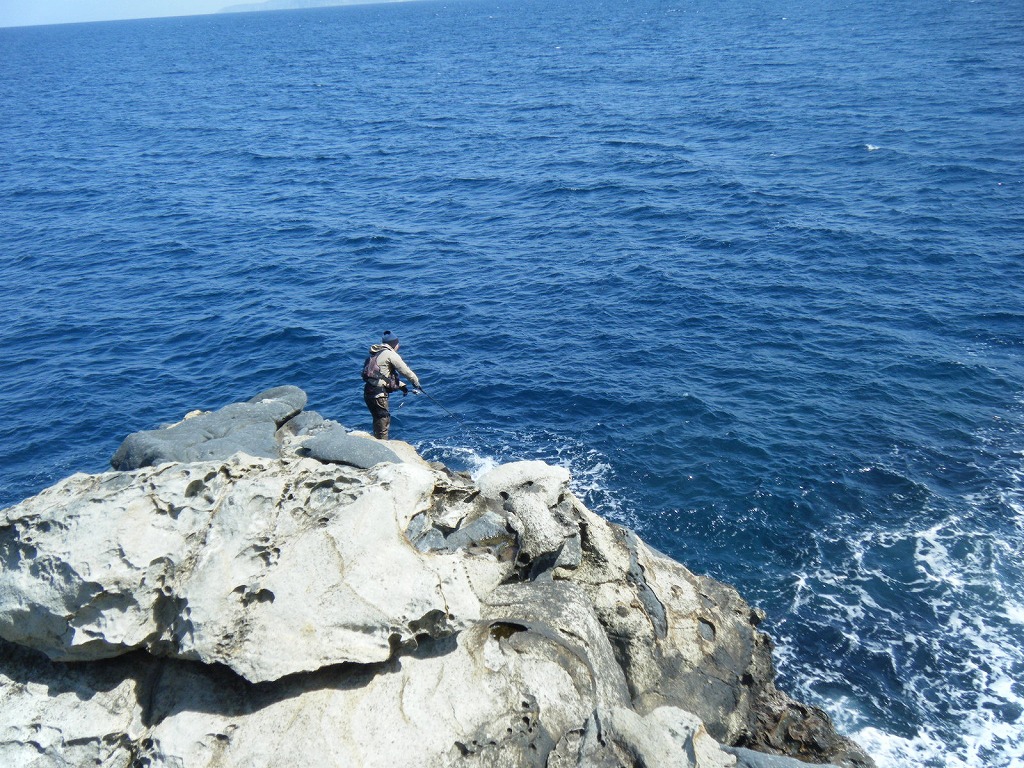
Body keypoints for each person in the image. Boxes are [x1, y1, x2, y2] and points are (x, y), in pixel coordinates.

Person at [361, 331, 421, 440]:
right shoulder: (390, 354)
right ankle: (382, 448)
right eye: (398, 344)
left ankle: (377, 441)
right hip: (378, 395)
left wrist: (401, 385)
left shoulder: (375, 354)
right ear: (394, 344)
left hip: (368, 392)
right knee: (384, 419)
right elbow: (405, 371)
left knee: (378, 418)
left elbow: (380, 376)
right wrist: (416, 382)